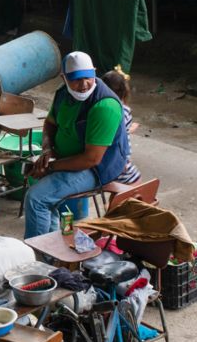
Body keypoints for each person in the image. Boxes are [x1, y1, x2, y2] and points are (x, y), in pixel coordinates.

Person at [24, 51, 129, 238]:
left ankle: (37, 258)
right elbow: (50, 123)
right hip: (67, 158)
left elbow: (91, 159)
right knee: (45, 195)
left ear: (94, 72)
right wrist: (47, 149)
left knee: (36, 199)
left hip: (98, 169)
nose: (83, 85)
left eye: (88, 78)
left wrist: (50, 167)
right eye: (75, 80)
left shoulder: (104, 106)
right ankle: (51, 252)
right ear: (64, 78)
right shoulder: (63, 94)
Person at [101, 66, 142, 185]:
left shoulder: (98, 107)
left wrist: (130, 128)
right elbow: (118, 137)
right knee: (136, 182)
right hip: (115, 163)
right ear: (124, 91)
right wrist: (122, 161)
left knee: (121, 191)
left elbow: (116, 130)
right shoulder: (122, 111)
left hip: (99, 160)